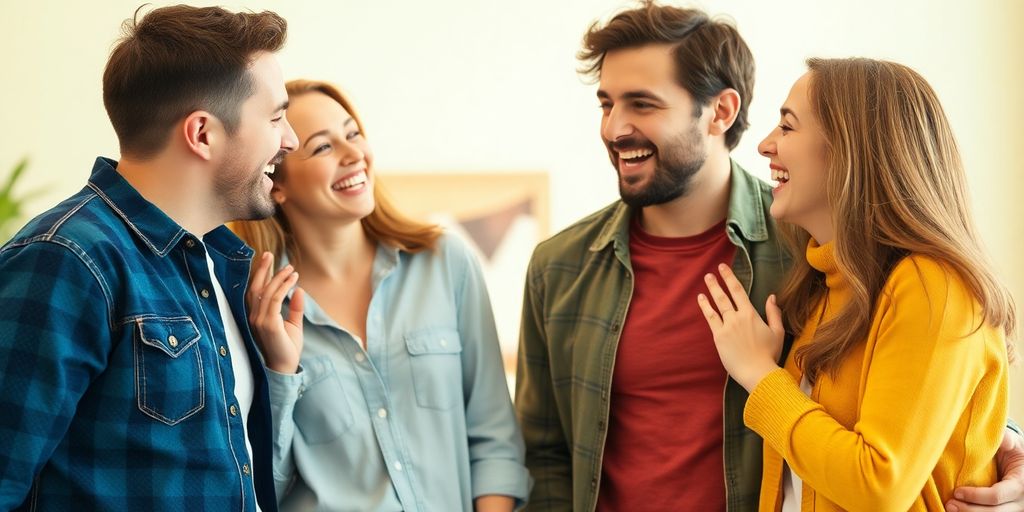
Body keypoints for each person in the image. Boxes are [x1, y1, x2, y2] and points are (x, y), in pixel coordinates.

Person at [513, 2, 1024, 511]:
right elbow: (544, 456)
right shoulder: (559, 267)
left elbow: (915, 388)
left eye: (642, 104)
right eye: (606, 104)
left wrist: (999, 442)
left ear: (721, 111)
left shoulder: (809, 247)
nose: (613, 128)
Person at [0, 5, 296, 511]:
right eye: (275, 118)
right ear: (202, 133)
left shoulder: (219, 265)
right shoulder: (67, 259)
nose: (290, 139)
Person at [698, 57, 1014, 510]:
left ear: (851, 150)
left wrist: (760, 375)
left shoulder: (934, 288)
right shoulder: (825, 285)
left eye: (787, 126)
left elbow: (878, 486)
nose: (765, 145)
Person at [229, 79, 531, 512]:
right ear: (277, 184)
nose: (354, 154)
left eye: (353, 133)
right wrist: (281, 369)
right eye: (323, 147)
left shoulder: (446, 263)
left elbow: (494, 439)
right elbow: (264, 489)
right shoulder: (257, 310)